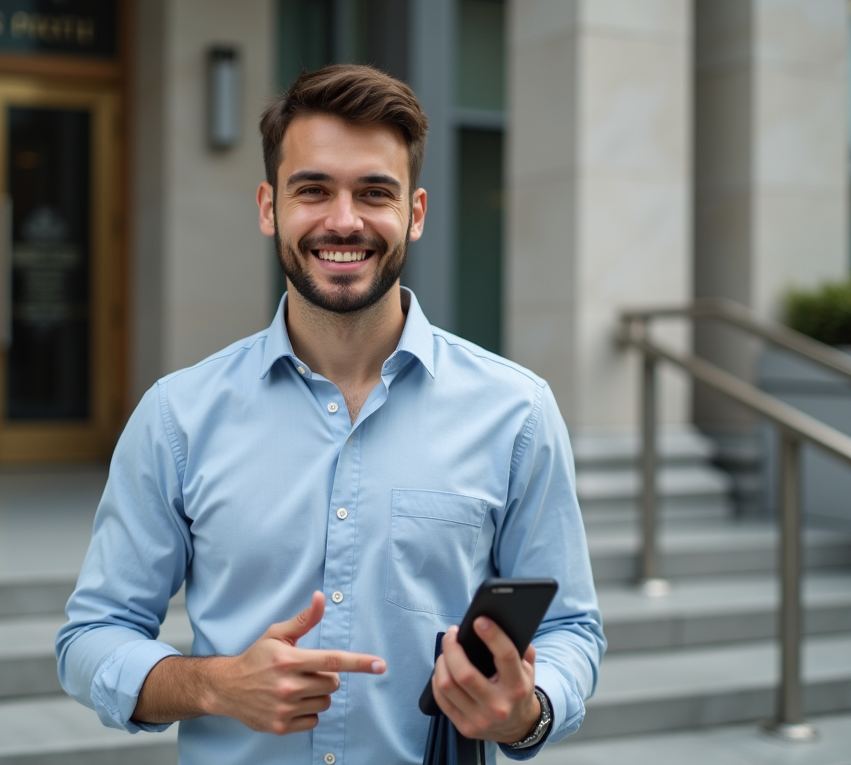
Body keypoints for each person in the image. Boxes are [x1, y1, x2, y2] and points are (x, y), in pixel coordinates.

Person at [55, 64, 604, 764]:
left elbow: (571, 632)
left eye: (375, 193)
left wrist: (526, 711)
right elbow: (91, 638)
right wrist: (215, 686)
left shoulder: (518, 412)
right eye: (312, 190)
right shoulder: (177, 417)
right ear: (268, 207)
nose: (343, 221)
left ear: (416, 212)